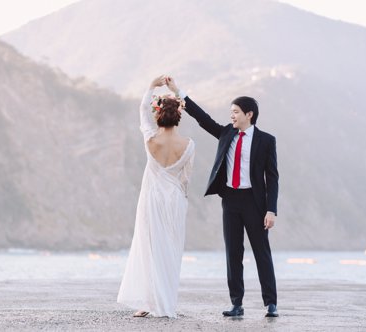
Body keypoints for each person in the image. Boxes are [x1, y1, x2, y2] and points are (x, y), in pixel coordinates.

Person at [168, 76, 281, 318]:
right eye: (231, 112)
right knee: (233, 253)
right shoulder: (226, 134)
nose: (232, 116)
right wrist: (179, 92)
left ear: (249, 114)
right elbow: (202, 118)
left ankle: (271, 303)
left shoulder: (266, 141)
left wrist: (271, 210)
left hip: (255, 202)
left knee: (262, 253)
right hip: (230, 200)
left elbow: (272, 178)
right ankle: (236, 304)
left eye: (236, 112)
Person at [116, 75, 197, 318]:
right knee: (171, 249)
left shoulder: (150, 139)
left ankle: (150, 302)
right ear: (178, 116)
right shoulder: (189, 145)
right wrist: (182, 200)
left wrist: (151, 85)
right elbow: (186, 180)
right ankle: (166, 303)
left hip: (151, 198)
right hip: (174, 199)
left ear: (158, 114)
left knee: (150, 248)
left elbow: (142, 109)